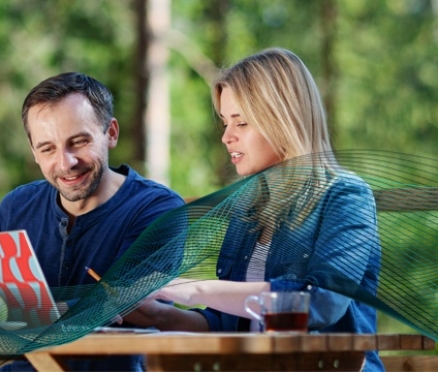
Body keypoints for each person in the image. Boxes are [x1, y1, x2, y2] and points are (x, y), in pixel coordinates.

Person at [123, 48, 383, 371]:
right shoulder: (248, 207)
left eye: (241, 122)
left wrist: (190, 288)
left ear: (284, 119)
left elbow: (322, 302)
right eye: (225, 122)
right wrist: (160, 312)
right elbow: (229, 324)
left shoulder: (345, 197)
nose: (226, 137)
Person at [0, 72, 185, 371]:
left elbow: (116, 306)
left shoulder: (158, 209)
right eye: (47, 149)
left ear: (111, 133)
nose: (65, 163)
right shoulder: (14, 208)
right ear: (33, 152)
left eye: (78, 142)